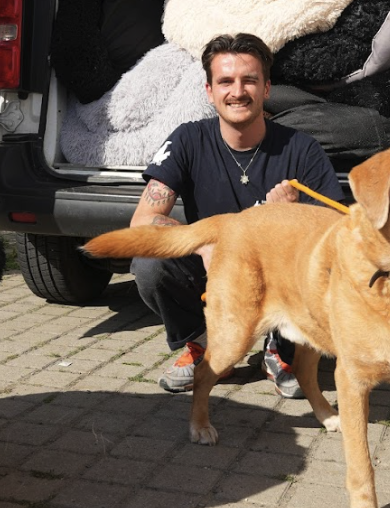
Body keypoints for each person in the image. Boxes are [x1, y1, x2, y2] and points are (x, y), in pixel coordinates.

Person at [130, 32, 347, 395]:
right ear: (209, 90)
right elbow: (142, 220)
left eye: (249, 80)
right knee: (148, 261)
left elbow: (338, 235)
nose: (238, 91)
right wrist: (202, 246)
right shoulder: (187, 139)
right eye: (225, 81)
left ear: (266, 89)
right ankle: (204, 347)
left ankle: (281, 351)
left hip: (283, 284)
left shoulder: (302, 148)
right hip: (215, 273)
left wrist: (289, 220)